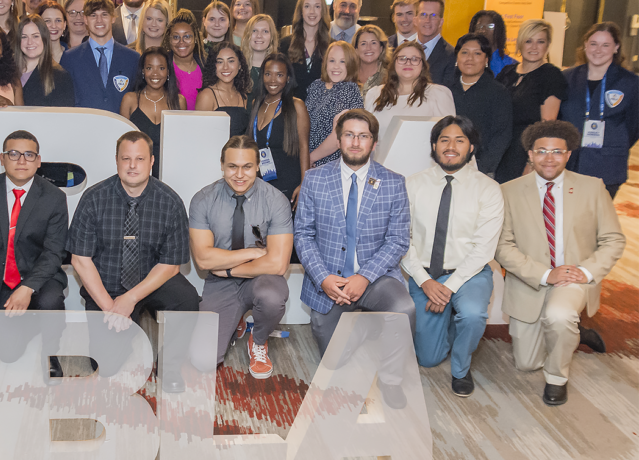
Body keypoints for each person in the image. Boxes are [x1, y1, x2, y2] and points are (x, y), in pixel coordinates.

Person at [495, 120, 624, 406]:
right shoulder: (508, 191)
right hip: (532, 279)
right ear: (529, 154)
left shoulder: (592, 188)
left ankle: (557, 378)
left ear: (568, 154)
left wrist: (585, 271)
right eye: (541, 151)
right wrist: (545, 274)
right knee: (527, 363)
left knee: (558, 316)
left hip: (573, 278)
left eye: (557, 152)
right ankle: (576, 332)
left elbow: (613, 239)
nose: (549, 158)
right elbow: (503, 247)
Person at [294, 109, 415, 361]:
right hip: (330, 280)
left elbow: (398, 240)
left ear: (374, 143)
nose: (356, 142)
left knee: (404, 308)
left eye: (364, 136)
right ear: (338, 141)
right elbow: (303, 235)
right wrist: (323, 278)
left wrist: (364, 276)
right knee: (334, 363)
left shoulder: (393, 182)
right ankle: (361, 330)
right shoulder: (314, 179)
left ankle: (392, 379)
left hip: (376, 278)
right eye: (349, 135)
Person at [402, 116, 503, 397]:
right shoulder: (412, 185)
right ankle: (445, 322)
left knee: (472, 314)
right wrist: (425, 282)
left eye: (460, 140)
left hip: (468, 273)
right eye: (444, 139)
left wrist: (448, 287)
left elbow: (484, 249)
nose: (451, 146)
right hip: (425, 273)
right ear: (434, 145)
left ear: (471, 147)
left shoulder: (488, 189)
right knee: (428, 358)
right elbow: (402, 240)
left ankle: (461, 367)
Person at [0, 130, 69, 378]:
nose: (21, 161)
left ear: (39, 161)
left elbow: (53, 253)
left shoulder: (54, 198)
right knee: (8, 354)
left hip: (40, 278)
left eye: (29, 155)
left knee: (51, 301)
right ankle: (24, 327)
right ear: (2, 158)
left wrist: (27, 288)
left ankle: (50, 352)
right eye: (14, 154)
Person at [67, 130, 200, 336]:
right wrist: (112, 309)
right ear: (116, 160)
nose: (132, 165)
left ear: (151, 161)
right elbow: (80, 260)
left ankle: (171, 365)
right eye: (126, 159)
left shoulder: (170, 202)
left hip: (151, 281)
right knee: (110, 364)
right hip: (106, 285)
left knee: (186, 298)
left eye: (140, 159)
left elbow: (170, 265)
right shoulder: (93, 198)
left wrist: (131, 298)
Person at [189, 135, 292, 376]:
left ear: (258, 166)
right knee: (201, 360)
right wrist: (253, 253)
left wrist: (227, 268)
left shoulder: (275, 200)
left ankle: (258, 341)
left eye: (247, 167)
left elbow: (277, 263)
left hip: (261, 278)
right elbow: (203, 260)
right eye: (232, 166)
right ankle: (235, 319)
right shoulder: (203, 200)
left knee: (272, 296)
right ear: (222, 165)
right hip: (220, 284)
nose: (239, 174)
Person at [561, 22, 639, 198]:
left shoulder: (630, 83)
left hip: (608, 165)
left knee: (594, 221)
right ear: (585, 45)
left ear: (616, 48)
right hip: (570, 163)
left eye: (606, 45)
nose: (598, 50)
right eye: (594, 43)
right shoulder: (567, 78)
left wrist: (613, 142)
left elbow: (634, 126)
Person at [494, 19, 567, 184]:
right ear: (520, 44)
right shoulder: (507, 73)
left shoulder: (551, 76)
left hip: (524, 153)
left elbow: (546, 126)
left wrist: (532, 162)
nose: (534, 47)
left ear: (547, 46)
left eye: (540, 42)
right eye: (528, 41)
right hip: (500, 150)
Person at [248, 53, 311, 208]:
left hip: (288, 184)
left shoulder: (296, 106)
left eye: (279, 75)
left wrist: (304, 184)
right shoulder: (256, 103)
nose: (273, 80)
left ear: (288, 78)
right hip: (260, 183)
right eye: (268, 74)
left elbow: (304, 147)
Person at [445, 33, 513, 176]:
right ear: (457, 57)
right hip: (445, 164)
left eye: (477, 53)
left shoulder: (498, 92)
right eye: (464, 53)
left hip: (481, 170)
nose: (470, 58)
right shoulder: (445, 90)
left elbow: (501, 135)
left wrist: (482, 167)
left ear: (486, 59)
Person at [60, 0, 140, 114]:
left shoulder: (132, 58)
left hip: (121, 129)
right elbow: (64, 101)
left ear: (113, 18)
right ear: (85, 20)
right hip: (83, 128)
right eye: (93, 15)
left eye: (104, 14)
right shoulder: (70, 58)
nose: (99, 20)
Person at [365, 40, 456, 142]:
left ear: (423, 65)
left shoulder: (439, 94)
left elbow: (449, 135)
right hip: (380, 157)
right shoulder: (375, 94)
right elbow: (366, 134)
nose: (408, 63)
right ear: (394, 63)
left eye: (414, 59)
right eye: (402, 58)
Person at [119, 46, 185, 178]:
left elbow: (182, 144)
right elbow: (123, 144)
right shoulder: (130, 100)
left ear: (168, 71)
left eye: (161, 68)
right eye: (149, 68)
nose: (155, 74)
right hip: (136, 173)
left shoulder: (179, 101)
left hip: (171, 173)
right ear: (143, 71)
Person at [307, 41, 364, 167]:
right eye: (332, 60)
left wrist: (311, 158)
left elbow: (340, 135)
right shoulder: (316, 86)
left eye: (342, 61)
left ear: (351, 65)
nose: (336, 66)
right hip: (307, 162)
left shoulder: (350, 90)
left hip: (331, 165)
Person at [279, 0, 330, 102]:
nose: (312, 11)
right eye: (307, 6)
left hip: (322, 112)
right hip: (291, 111)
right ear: (301, 11)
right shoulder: (284, 45)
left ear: (323, 11)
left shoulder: (333, 47)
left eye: (317, 6)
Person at [14, 15, 74, 108]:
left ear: (45, 39)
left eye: (35, 36)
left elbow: (64, 119)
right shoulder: (8, 71)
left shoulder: (60, 77)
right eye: (24, 37)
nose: (30, 42)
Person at [195, 41, 251, 137]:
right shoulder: (207, 96)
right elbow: (200, 136)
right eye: (220, 62)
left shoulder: (244, 95)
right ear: (213, 66)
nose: (225, 67)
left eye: (231, 61)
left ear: (240, 65)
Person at [164, 9, 204, 110]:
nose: (181, 42)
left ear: (195, 38)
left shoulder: (205, 64)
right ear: (169, 40)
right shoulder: (163, 65)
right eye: (176, 37)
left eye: (187, 36)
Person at [415, 0, 456, 86]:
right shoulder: (404, 51)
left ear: (441, 22)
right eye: (423, 14)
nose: (427, 20)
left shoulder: (452, 55)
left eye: (433, 15)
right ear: (415, 20)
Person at [240, 13, 277, 109]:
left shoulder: (279, 68)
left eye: (265, 31)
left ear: (271, 36)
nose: (259, 36)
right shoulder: (237, 66)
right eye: (254, 31)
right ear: (247, 35)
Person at [469, 10, 517, 74]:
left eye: (490, 26)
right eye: (479, 26)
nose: (483, 30)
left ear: (499, 31)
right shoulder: (465, 61)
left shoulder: (511, 65)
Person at [353, 24, 388, 97]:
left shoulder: (390, 76)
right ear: (356, 49)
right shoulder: (348, 75)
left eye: (373, 43)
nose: (368, 48)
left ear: (381, 48)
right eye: (363, 44)